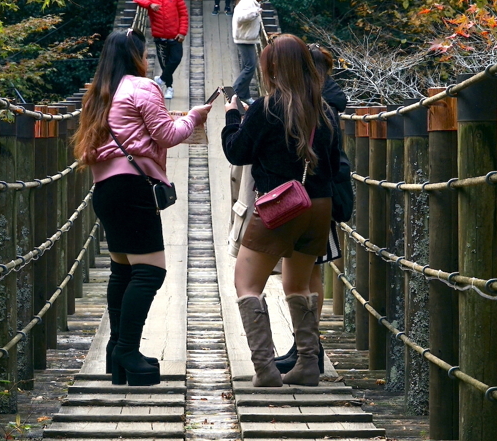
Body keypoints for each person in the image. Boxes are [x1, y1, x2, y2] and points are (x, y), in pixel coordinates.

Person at [74, 29, 212, 386]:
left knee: (122, 270)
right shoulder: (142, 87)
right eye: (145, 53)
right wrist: (194, 116)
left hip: (105, 189)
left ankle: (118, 352)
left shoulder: (97, 94)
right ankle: (126, 351)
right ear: (136, 57)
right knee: (150, 271)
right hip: (133, 188)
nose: (148, 59)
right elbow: (167, 135)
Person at [221, 34, 340, 387]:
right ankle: (306, 365)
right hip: (319, 207)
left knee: (246, 283)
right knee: (299, 285)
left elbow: (236, 152)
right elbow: (333, 165)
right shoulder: (326, 110)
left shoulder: (267, 107)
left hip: (280, 204)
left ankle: (266, 370)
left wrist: (232, 117)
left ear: (272, 67)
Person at [274, 43, 347, 375]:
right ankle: (305, 347)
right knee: (310, 271)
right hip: (318, 195)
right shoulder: (323, 98)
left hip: (314, 197)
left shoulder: (321, 103)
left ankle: (308, 349)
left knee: (307, 272)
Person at [133, 0, 188, 100]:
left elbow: (183, 15)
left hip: (175, 36)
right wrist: (150, 5)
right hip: (160, 38)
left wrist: (182, 32)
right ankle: (169, 87)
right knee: (164, 64)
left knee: (175, 59)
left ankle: (162, 79)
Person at [231, 0, 268, 102]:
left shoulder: (250, 1)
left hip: (246, 38)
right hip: (244, 38)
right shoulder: (248, 1)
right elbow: (240, 18)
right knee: (250, 66)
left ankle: (244, 95)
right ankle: (234, 92)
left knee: (246, 67)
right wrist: (255, 13)